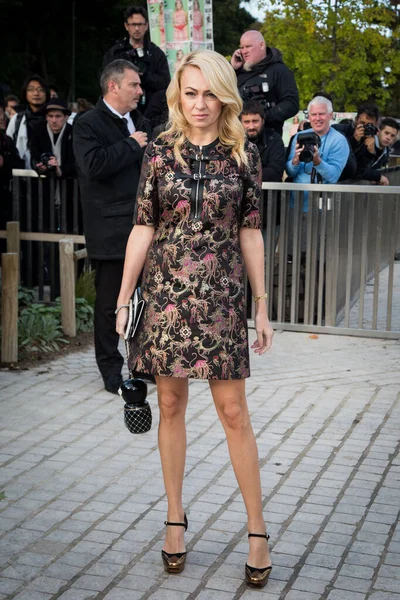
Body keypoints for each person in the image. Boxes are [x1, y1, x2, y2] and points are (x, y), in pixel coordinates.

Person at [115, 50, 274, 587]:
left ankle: (257, 528)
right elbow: (143, 226)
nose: (200, 104)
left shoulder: (244, 154)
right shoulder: (160, 151)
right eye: (190, 93)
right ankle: (175, 519)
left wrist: (262, 304)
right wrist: (122, 298)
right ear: (177, 96)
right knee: (168, 402)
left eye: (209, 93)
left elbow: (250, 231)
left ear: (225, 95)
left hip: (224, 299)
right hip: (165, 296)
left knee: (233, 411)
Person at [73, 59, 151, 394]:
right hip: (110, 231)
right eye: (134, 85)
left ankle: (141, 363)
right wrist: (132, 145)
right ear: (113, 86)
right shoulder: (87, 123)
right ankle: (110, 370)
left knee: (143, 301)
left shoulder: (139, 120)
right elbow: (93, 166)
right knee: (109, 305)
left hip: (143, 227)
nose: (139, 91)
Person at [286, 96, 350, 211]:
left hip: (324, 207)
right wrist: (295, 161)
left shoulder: (339, 140)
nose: (317, 118)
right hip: (296, 205)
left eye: (322, 114)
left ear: (330, 115)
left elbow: (334, 176)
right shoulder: (299, 137)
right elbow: (290, 172)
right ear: (309, 116)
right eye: (314, 114)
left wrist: (318, 162)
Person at [231, 30, 299, 136]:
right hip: (240, 139)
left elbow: (292, 104)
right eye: (242, 47)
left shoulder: (279, 70)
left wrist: (263, 117)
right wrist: (233, 70)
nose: (244, 51)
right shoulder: (239, 71)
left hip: (269, 140)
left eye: (248, 46)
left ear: (261, 45)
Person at [103, 5, 170, 111]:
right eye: (133, 24)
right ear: (126, 26)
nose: (137, 28)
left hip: (150, 111)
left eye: (140, 24)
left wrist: (144, 76)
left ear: (146, 25)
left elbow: (165, 84)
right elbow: (106, 81)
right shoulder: (116, 53)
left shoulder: (156, 53)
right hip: (122, 110)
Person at [6, 75, 50, 168]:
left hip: (52, 177)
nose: (36, 93)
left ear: (46, 93)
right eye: (31, 89)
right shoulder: (17, 119)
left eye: (40, 89)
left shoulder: (54, 118)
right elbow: (8, 147)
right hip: (23, 176)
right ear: (25, 93)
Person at [240, 100, 285, 182]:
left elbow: (275, 172)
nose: (251, 126)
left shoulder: (274, 139)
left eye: (255, 121)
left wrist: (244, 175)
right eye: (247, 122)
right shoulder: (235, 141)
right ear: (241, 123)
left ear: (263, 121)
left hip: (268, 194)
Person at [332, 104, 380, 180]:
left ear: (376, 124)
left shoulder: (371, 140)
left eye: (370, 125)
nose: (365, 127)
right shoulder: (339, 131)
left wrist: (369, 154)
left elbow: (359, 172)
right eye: (362, 123)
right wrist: (354, 140)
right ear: (356, 119)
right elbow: (341, 163)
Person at [360, 117, 399, 185]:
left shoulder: (385, 152)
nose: (388, 138)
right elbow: (358, 170)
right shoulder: (364, 143)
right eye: (386, 133)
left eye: (392, 136)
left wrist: (373, 177)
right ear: (378, 132)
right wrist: (377, 177)